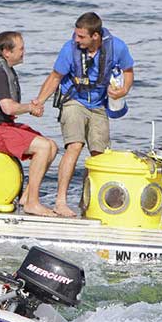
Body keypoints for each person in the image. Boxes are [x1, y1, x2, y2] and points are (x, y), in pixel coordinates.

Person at [35, 12, 134, 217]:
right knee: (75, 145)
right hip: (74, 100)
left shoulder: (117, 47)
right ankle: (60, 202)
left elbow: (128, 71)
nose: (76, 39)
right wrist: (39, 102)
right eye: (76, 35)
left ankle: (88, 203)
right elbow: (55, 77)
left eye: (81, 36)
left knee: (99, 154)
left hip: (99, 105)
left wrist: (123, 91)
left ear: (95, 36)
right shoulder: (69, 49)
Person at [0, 31, 59, 217]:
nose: (24, 52)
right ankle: (33, 203)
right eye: (21, 48)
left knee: (52, 146)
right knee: (42, 147)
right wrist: (31, 108)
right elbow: (8, 108)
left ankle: (26, 198)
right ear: (6, 52)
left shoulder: (3, 69)